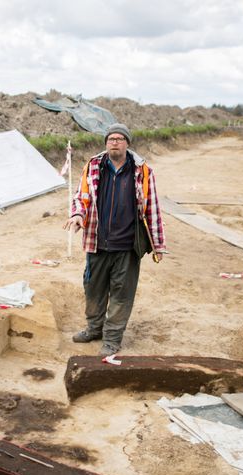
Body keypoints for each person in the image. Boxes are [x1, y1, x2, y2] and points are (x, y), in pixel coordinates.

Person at [63, 123, 165, 356]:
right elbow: (82, 196)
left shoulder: (142, 171)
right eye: (111, 138)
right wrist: (78, 214)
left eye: (119, 138)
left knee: (122, 295)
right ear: (106, 142)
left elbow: (153, 208)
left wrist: (158, 244)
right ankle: (94, 329)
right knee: (93, 290)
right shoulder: (94, 166)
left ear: (127, 143)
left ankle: (112, 339)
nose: (114, 142)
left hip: (128, 246)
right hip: (97, 242)